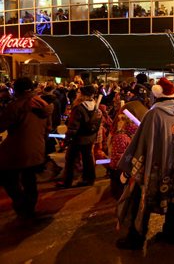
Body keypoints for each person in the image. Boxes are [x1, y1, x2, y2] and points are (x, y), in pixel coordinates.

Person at [116, 78, 174, 249]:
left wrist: (129, 168)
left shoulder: (153, 115)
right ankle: (172, 232)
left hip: (155, 167)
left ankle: (136, 237)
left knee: (140, 201)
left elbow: (141, 143)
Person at [0, 77, 52, 218]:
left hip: (17, 150)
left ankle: (21, 204)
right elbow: (48, 128)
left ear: (16, 90)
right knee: (29, 180)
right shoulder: (43, 104)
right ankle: (28, 208)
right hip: (37, 149)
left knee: (6, 177)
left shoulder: (16, 106)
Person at [57, 85, 102, 188]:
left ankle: (67, 181)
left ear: (82, 95)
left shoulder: (79, 108)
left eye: (79, 92)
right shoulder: (95, 106)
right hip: (89, 137)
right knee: (87, 158)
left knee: (70, 159)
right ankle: (89, 179)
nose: (77, 94)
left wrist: (66, 140)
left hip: (78, 138)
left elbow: (73, 127)